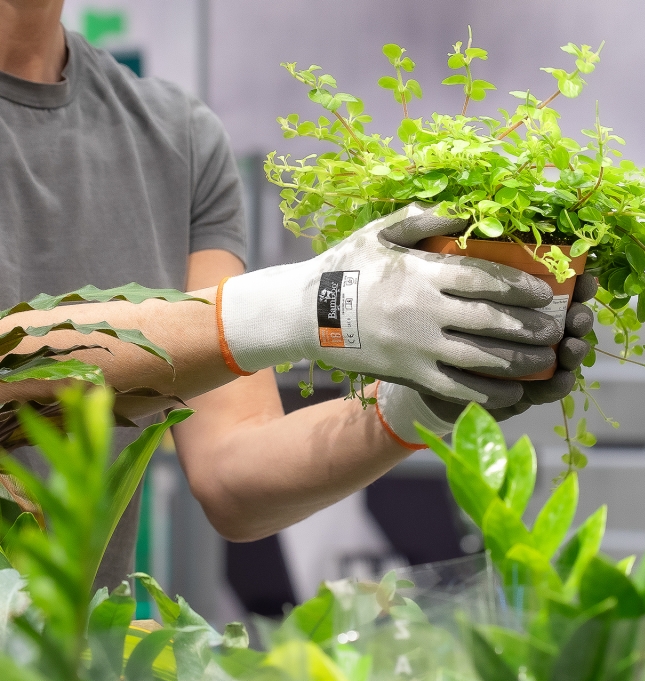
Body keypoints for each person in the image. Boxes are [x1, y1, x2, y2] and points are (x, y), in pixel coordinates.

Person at [0, 0, 596, 589]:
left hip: (74, 647)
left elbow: (232, 472)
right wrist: (314, 304)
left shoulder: (172, 136)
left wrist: (418, 401)